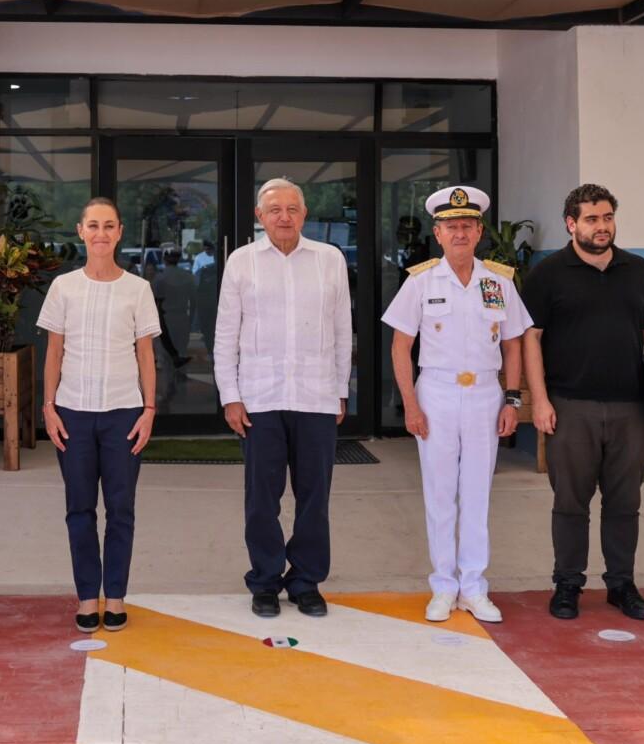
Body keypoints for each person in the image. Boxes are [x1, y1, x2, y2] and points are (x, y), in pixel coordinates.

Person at [522, 184, 644, 622]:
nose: (602, 226)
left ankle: (621, 584)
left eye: (607, 217)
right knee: (570, 502)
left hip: (633, 409)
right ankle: (568, 584)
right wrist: (540, 400)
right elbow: (530, 339)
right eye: (591, 219)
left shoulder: (639, 270)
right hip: (571, 407)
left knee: (625, 502)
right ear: (572, 224)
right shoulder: (548, 274)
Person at [383, 185, 528, 624]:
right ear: (438, 232)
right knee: (440, 493)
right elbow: (400, 346)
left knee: (478, 494)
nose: (459, 233)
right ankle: (443, 586)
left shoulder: (498, 281)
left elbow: (514, 345)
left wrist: (512, 399)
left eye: (467, 225)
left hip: (486, 394)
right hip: (438, 394)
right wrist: (411, 404)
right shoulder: (421, 280)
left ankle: (474, 587)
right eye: (451, 226)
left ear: (480, 231)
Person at [215, 179, 351, 619]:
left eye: (292, 208)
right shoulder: (241, 262)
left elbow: (342, 330)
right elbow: (224, 335)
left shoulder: (329, 260)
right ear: (260, 216)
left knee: (315, 496)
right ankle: (266, 581)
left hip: (315, 395)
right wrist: (230, 396)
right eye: (274, 210)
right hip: (259, 397)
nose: (284, 217)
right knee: (261, 499)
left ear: (305, 214)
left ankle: (307, 581)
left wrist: (340, 390)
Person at [38, 197, 159, 632]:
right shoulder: (63, 287)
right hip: (73, 413)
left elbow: (146, 354)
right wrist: (48, 408)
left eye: (109, 225)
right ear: (81, 231)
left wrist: (148, 409)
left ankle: (117, 596)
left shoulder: (137, 289)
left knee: (121, 509)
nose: (101, 233)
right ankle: (88, 597)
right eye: (94, 225)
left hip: (124, 413)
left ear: (120, 232)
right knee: (79, 509)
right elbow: (54, 352)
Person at [152, 247, 196, 371]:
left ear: (165, 258)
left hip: (165, 318)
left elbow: (155, 303)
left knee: (165, 356)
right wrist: (190, 320)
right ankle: (181, 383)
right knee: (181, 350)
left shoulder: (159, 278)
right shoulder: (188, 276)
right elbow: (193, 301)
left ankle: (170, 386)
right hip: (182, 317)